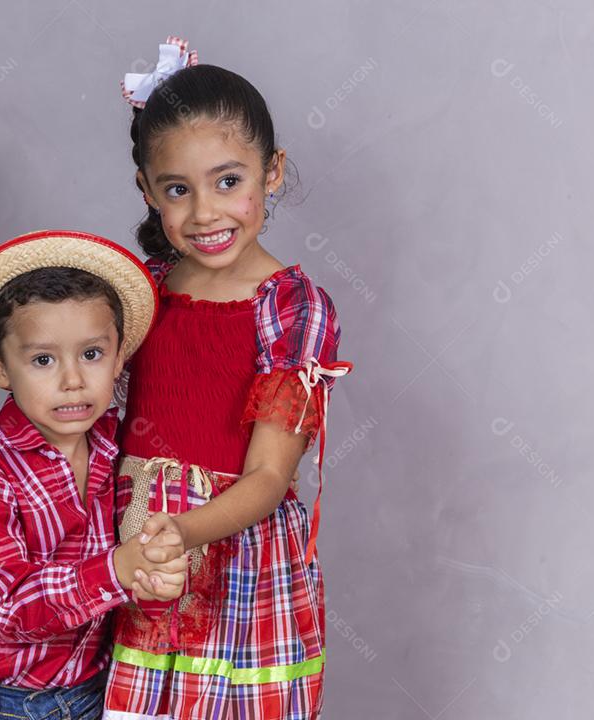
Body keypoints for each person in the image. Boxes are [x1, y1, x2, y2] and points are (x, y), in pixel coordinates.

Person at [103, 38, 355, 719]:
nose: (205, 213)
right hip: (137, 547)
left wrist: (182, 531)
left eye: (228, 181)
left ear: (271, 172)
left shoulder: (291, 306)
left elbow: (270, 479)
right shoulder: (140, 292)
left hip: (236, 558)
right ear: (147, 190)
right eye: (177, 190)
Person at [0, 230, 191, 720]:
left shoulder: (117, 441)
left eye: (91, 354)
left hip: (89, 693)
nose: (73, 380)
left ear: (119, 356)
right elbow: (8, 609)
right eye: (43, 360)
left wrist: (150, 569)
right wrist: (118, 569)